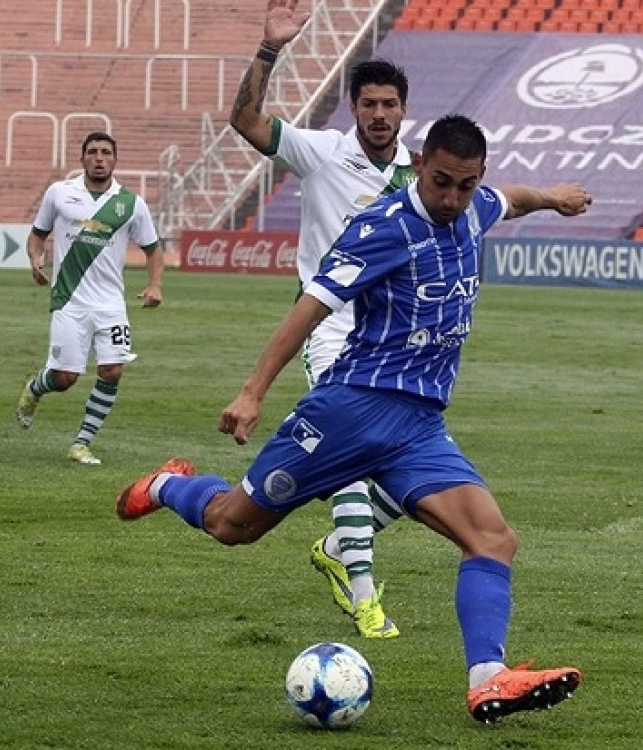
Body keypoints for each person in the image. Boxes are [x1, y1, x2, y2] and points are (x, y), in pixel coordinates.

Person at [115, 114, 592, 724]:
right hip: (351, 410)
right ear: (419, 165)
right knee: (233, 525)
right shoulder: (382, 227)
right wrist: (252, 392)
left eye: (465, 185)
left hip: (418, 425)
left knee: (493, 539)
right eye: (441, 181)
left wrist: (553, 198)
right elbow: (310, 307)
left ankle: (487, 679)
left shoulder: (476, 208)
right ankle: (166, 485)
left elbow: (513, 199)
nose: (451, 198)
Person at [229, 0, 416, 637]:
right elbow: (246, 120)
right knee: (355, 449)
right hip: (331, 327)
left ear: (403, 110)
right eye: (369, 104)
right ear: (353, 108)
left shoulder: (420, 176)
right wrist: (270, 48)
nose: (380, 114)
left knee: (412, 467)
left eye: (389, 104)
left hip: (395, 339)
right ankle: (363, 594)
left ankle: (337, 548)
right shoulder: (323, 152)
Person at [16, 131, 164, 465]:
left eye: (106, 152)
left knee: (112, 371)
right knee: (65, 378)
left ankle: (81, 444)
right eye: (93, 152)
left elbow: (153, 250)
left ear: (115, 160)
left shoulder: (131, 204)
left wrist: (155, 285)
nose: (99, 158)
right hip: (69, 300)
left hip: (111, 304)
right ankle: (36, 389)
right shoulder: (60, 193)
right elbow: (37, 235)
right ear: (82, 158)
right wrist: (35, 259)